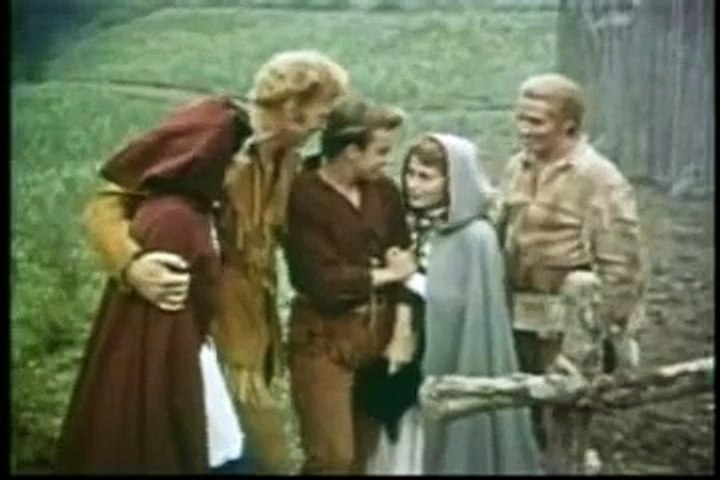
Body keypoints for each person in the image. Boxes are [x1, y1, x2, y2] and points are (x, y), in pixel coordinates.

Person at [78, 50, 350, 474]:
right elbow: (107, 206)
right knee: (246, 455)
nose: (324, 123)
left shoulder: (288, 161)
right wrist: (131, 264)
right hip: (202, 324)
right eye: (323, 111)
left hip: (252, 329)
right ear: (294, 108)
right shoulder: (214, 142)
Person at [55, 96, 238, 474]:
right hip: (175, 358)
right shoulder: (174, 218)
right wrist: (130, 263)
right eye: (234, 159)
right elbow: (109, 206)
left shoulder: (199, 208)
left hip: (199, 347)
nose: (240, 167)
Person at [367, 133, 544, 474]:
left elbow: (462, 302)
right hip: (405, 356)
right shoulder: (412, 225)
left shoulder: (476, 236)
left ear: (454, 182)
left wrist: (408, 279)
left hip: (453, 353)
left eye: (426, 177)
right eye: (410, 174)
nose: (413, 185)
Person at [495, 73, 645, 469]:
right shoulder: (517, 166)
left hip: (566, 322)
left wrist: (602, 334)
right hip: (516, 315)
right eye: (520, 118)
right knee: (520, 415)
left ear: (569, 126)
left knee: (563, 416)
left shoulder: (598, 178)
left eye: (536, 122)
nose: (524, 129)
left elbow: (622, 266)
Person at [283, 95, 416, 474]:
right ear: (351, 151)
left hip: (377, 332)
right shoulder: (304, 195)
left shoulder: (383, 192)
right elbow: (320, 280)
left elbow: (404, 257)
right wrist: (385, 275)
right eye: (381, 151)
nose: (387, 160)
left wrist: (401, 332)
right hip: (323, 337)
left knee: (364, 450)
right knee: (332, 456)